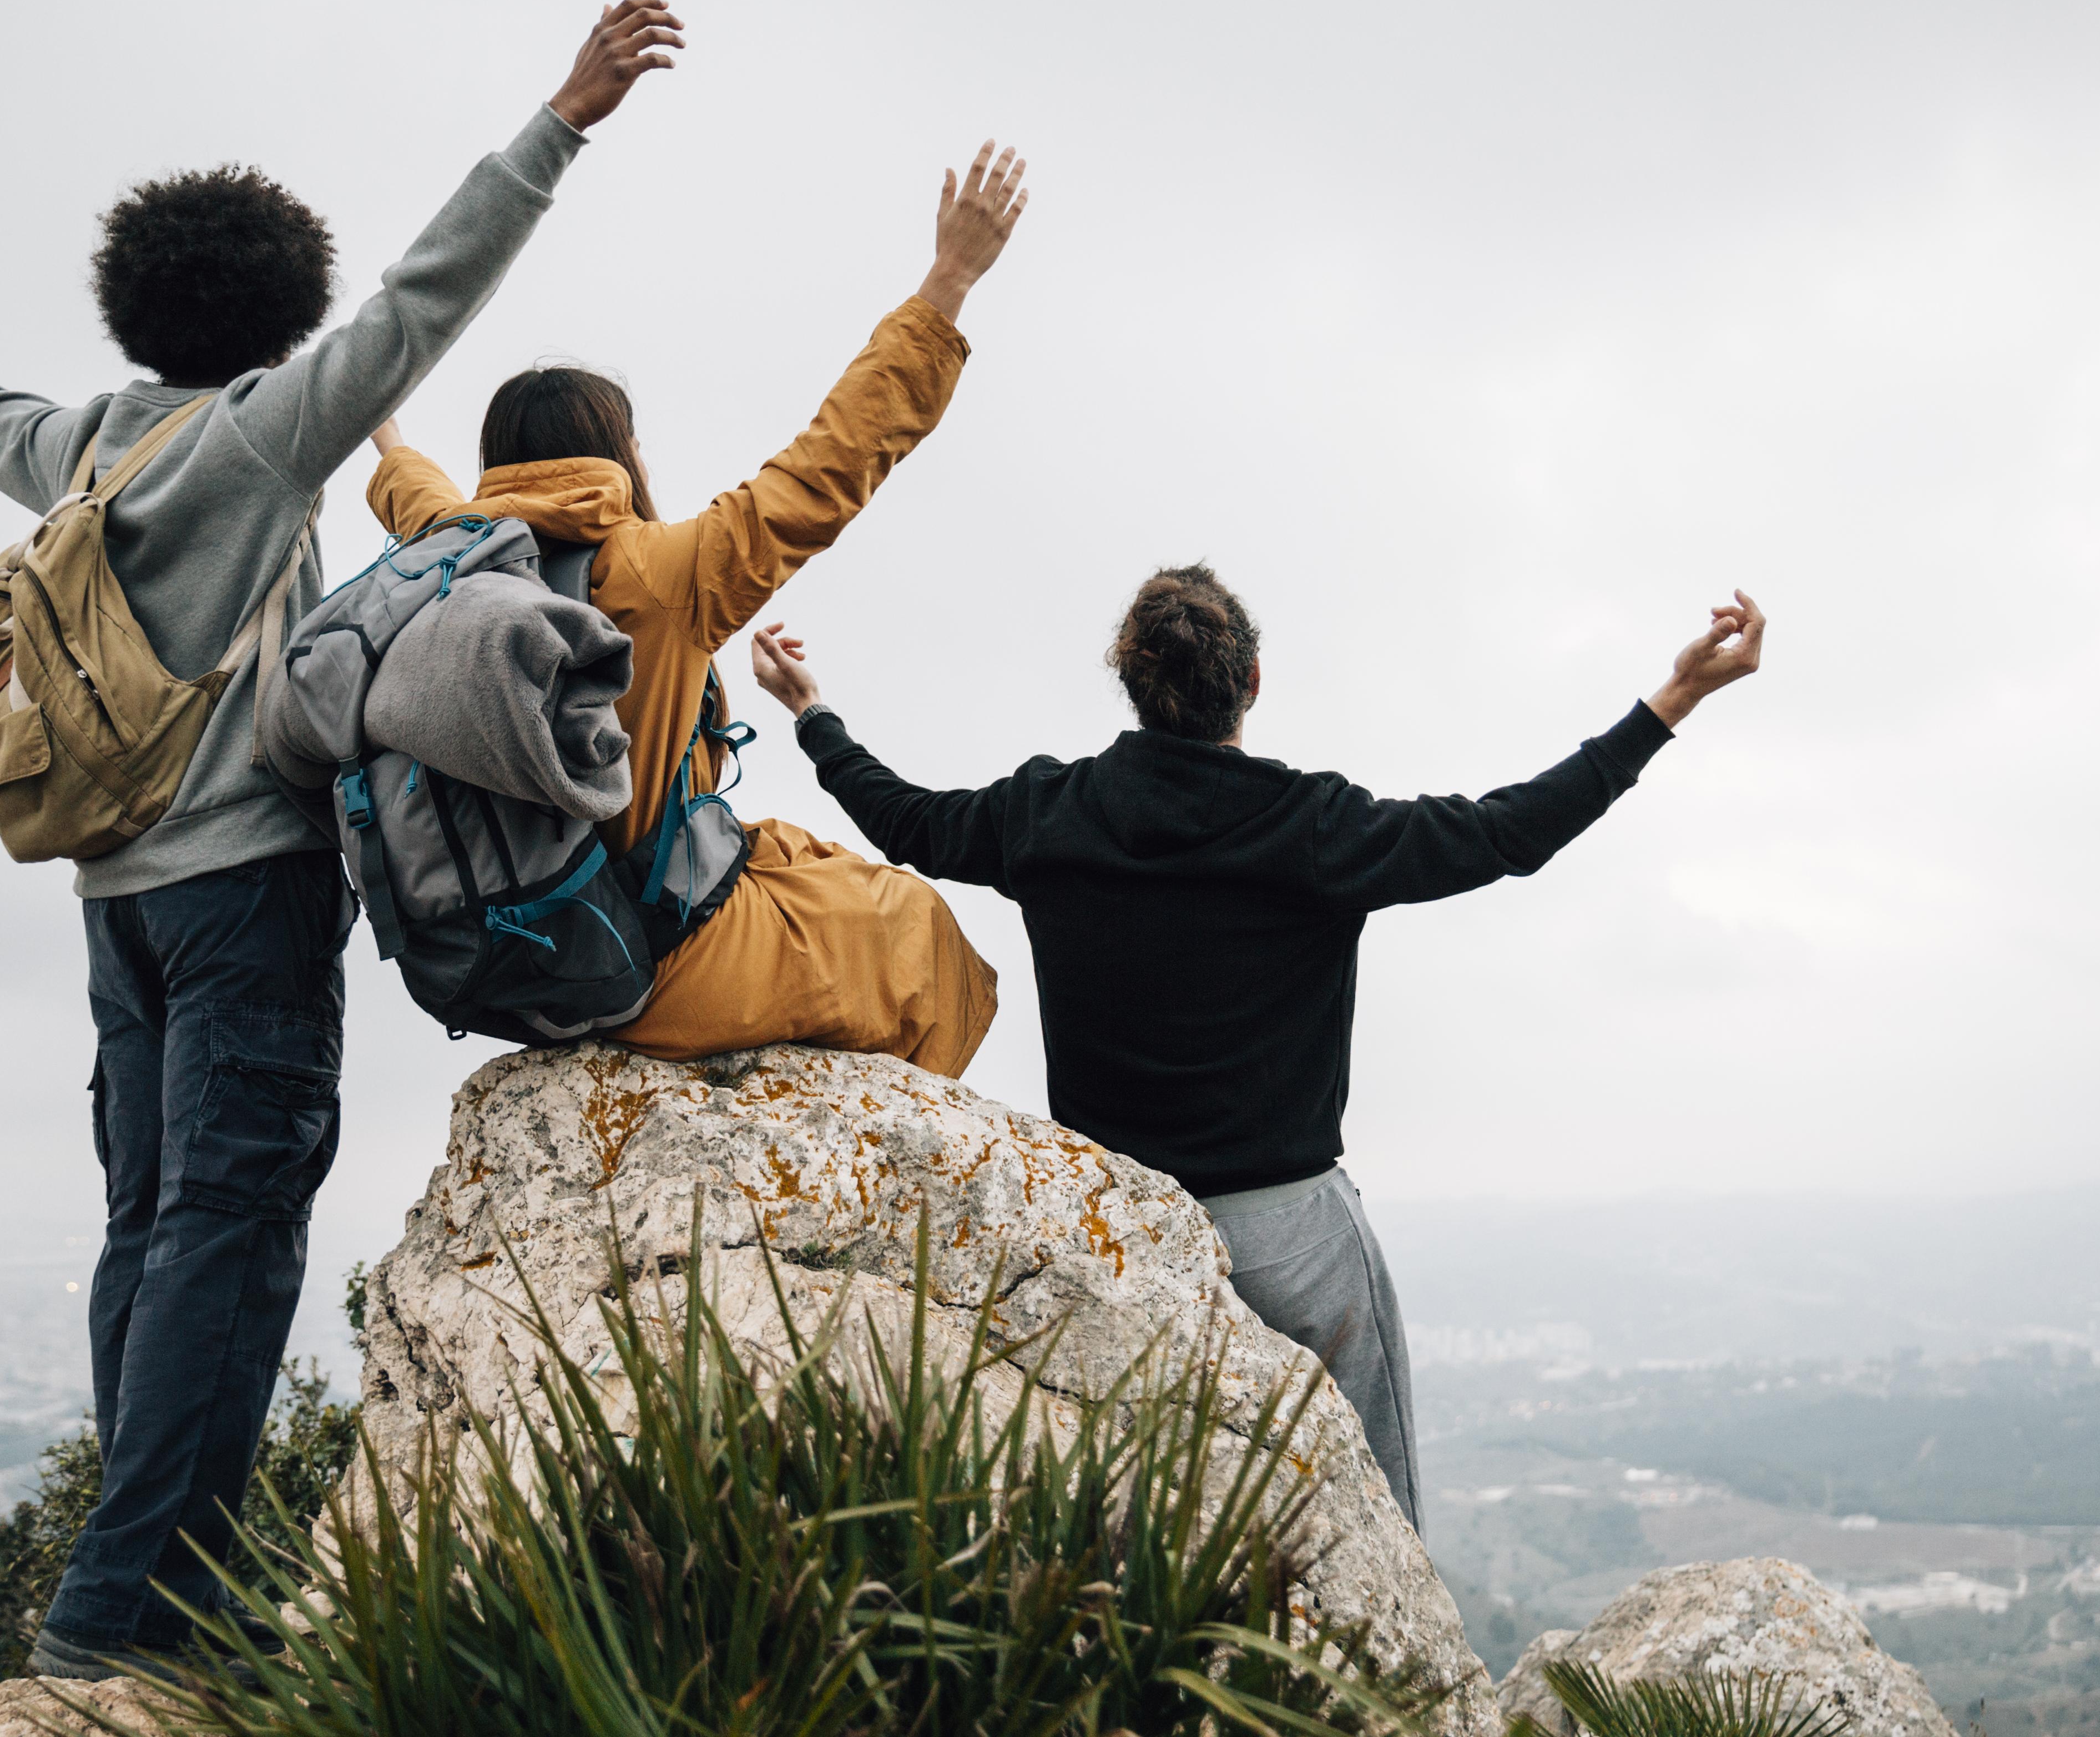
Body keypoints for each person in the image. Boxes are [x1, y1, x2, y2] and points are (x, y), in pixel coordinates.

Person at [0, 0, 684, 1679]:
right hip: (242, 900)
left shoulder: (81, 447)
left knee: (152, 1221)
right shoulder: (256, 439)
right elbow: (425, 302)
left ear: (134, 303)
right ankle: (121, 1623)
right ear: (277, 315)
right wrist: (560, 120)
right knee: (234, 1220)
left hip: (114, 910)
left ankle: (168, 1601)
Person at [744, 569, 1767, 1524]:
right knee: (1371, 1509)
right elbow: (1508, 832)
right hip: (1295, 1238)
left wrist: (812, 716)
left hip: (1117, 1228)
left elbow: (908, 820)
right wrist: (1670, 703)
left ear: (1133, 688)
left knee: (1153, 1513)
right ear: (1254, 683)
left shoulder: (1046, 814)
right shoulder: (1310, 826)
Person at [357, 143, 1031, 1076]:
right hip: (659, 954)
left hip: (519, 941)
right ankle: (898, 1162)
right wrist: (950, 279)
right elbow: (831, 465)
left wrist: (373, 416)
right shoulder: (662, 572)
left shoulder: (450, 566)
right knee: (922, 934)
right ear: (619, 455)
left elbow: (413, 491)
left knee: (801, 856)